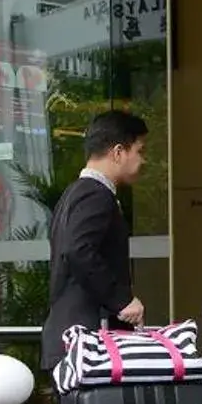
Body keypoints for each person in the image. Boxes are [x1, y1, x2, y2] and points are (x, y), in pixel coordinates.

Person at [40, 110, 149, 373]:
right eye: (140, 150)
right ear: (118, 152)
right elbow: (79, 250)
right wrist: (121, 300)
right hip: (87, 344)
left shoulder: (73, 194)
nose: (143, 160)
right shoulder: (96, 195)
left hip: (72, 341)